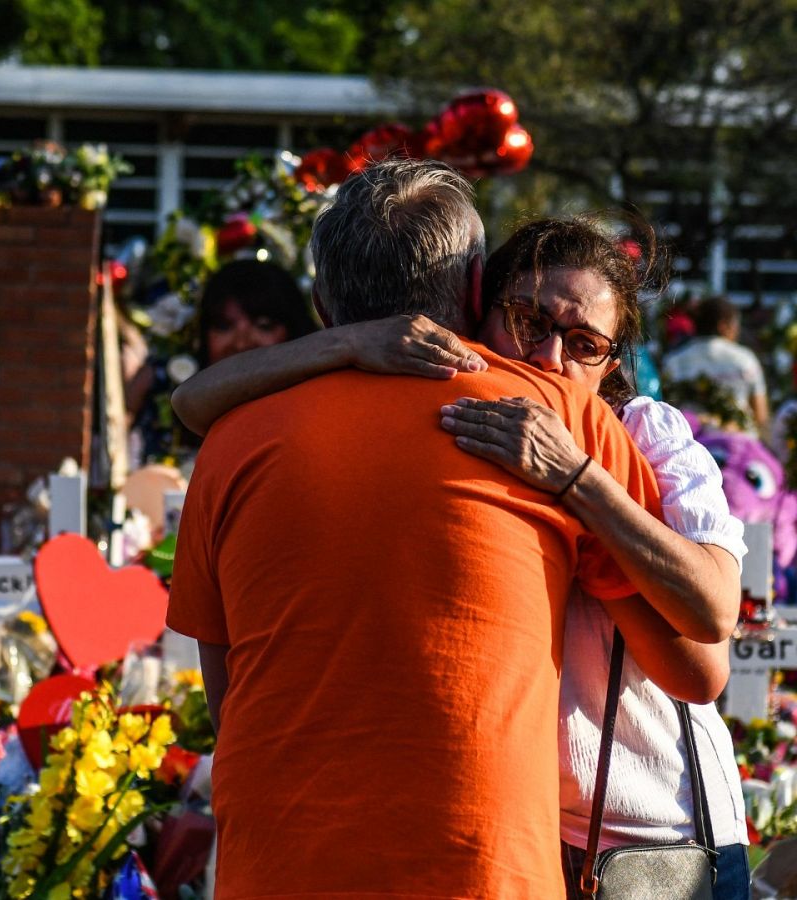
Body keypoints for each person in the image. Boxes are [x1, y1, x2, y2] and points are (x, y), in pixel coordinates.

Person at [173, 215, 750, 898]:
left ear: (614, 361)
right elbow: (192, 401)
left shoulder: (613, 432)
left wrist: (576, 479)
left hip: (647, 831)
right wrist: (350, 343)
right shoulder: (502, 411)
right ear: (479, 303)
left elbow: (706, 653)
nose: (551, 359)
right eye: (528, 322)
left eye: (586, 344)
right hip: (532, 831)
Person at [663, 296, 768, 433]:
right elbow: (761, 417)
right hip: (738, 444)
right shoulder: (745, 359)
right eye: (736, 325)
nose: (737, 331)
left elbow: (666, 413)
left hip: (689, 445)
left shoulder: (674, 361)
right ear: (723, 326)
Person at [196, 258, 319, 367]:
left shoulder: (328, 390)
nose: (241, 344)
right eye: (223, 326)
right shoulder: (185, 392)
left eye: (263, 326)